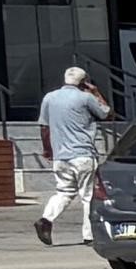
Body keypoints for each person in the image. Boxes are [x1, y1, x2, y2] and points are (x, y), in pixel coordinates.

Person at [33, 63, 109, 246]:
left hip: (61, 155)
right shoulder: (85, 98)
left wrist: (48, 149)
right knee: (88, 196)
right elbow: (106, 113)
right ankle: (89, 235)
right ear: (83, 82)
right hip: (83, 154)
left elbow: (44, 127)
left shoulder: (49, 98)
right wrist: (96, 92)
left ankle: (46, 219)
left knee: (64, 191)